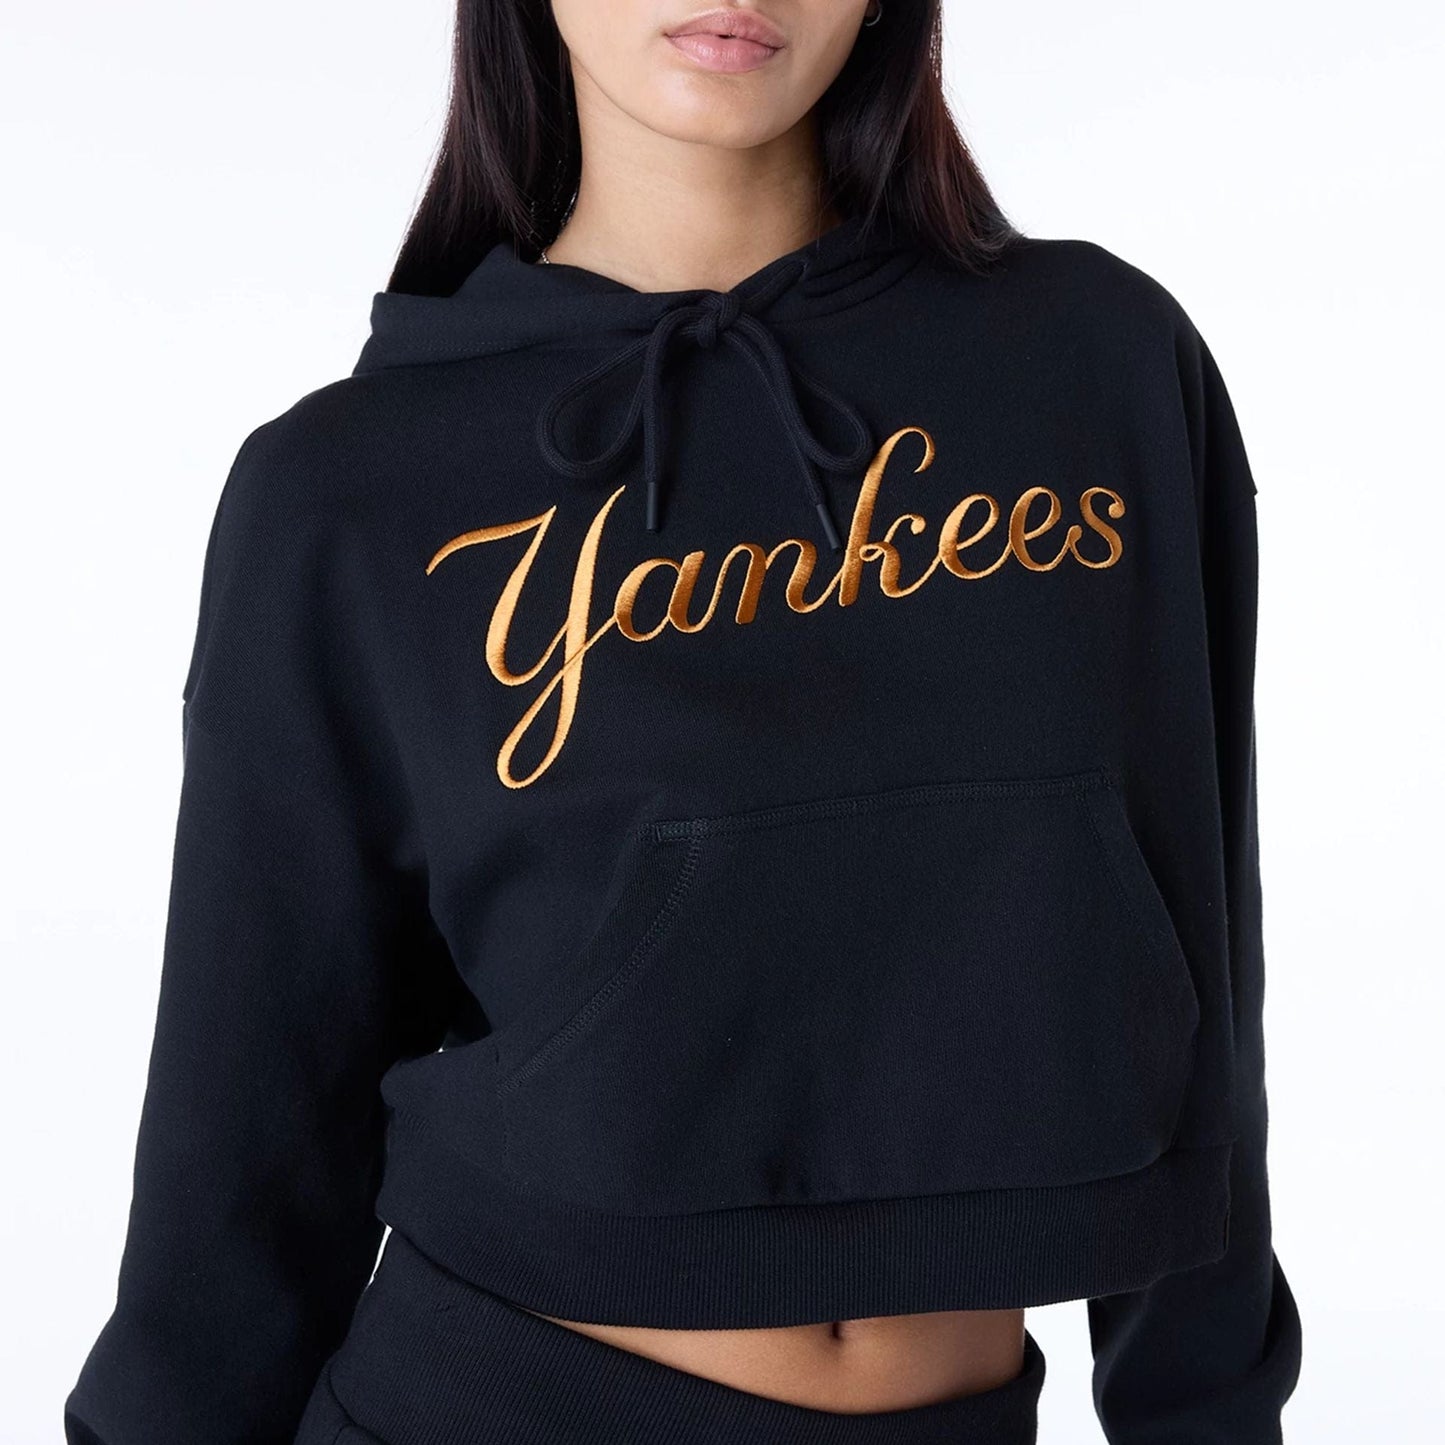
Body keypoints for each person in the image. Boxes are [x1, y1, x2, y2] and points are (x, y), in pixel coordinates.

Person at [64, 2, 1303, 1441]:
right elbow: (251, 1129)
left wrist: (1207, 1408)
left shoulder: (1095, 364)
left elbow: (1203, 942)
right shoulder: (350, 490)